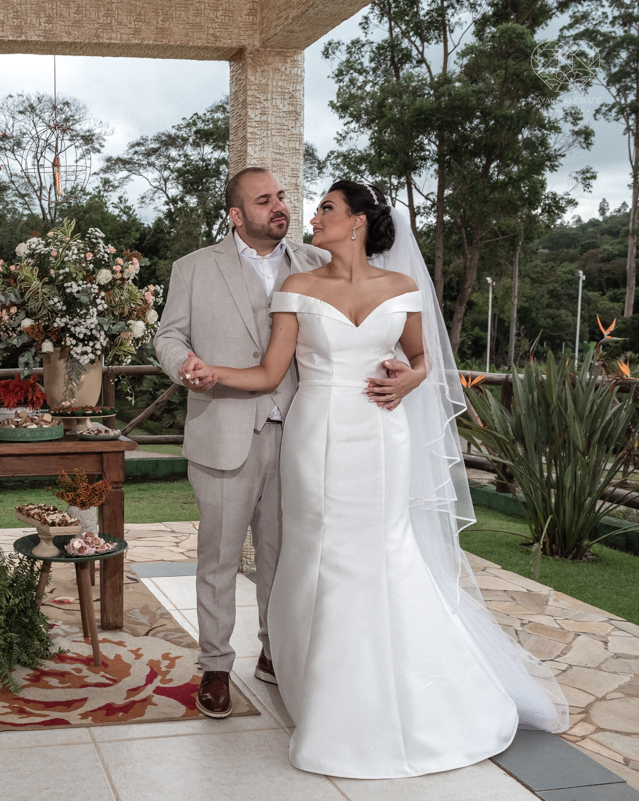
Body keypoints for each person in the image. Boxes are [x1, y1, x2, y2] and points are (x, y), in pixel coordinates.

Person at [185, 180, 568, 777]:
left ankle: (403, 696)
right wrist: (210, 373)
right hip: (313, 437)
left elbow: (422, 360)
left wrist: (410, 381)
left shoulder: (403, 288)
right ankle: (320, 682)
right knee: (321, 551)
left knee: (385, 551)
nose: (313, 216)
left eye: (327, 209)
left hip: (382, 436)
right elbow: (267, 374)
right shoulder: (297, 285)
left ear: (358, 222)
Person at [154, 168, 422, 719]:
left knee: (288, 557)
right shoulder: (194, 268)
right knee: (219, 559)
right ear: (235, 214)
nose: (281, 207)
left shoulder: (314, 262)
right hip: (225, 429)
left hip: (306, 434)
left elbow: (359, 327)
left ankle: (279, 653)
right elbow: (168, 335)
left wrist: (402, 372)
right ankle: (216, 668)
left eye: (282, 197)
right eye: (265, 201)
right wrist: (185, 367)